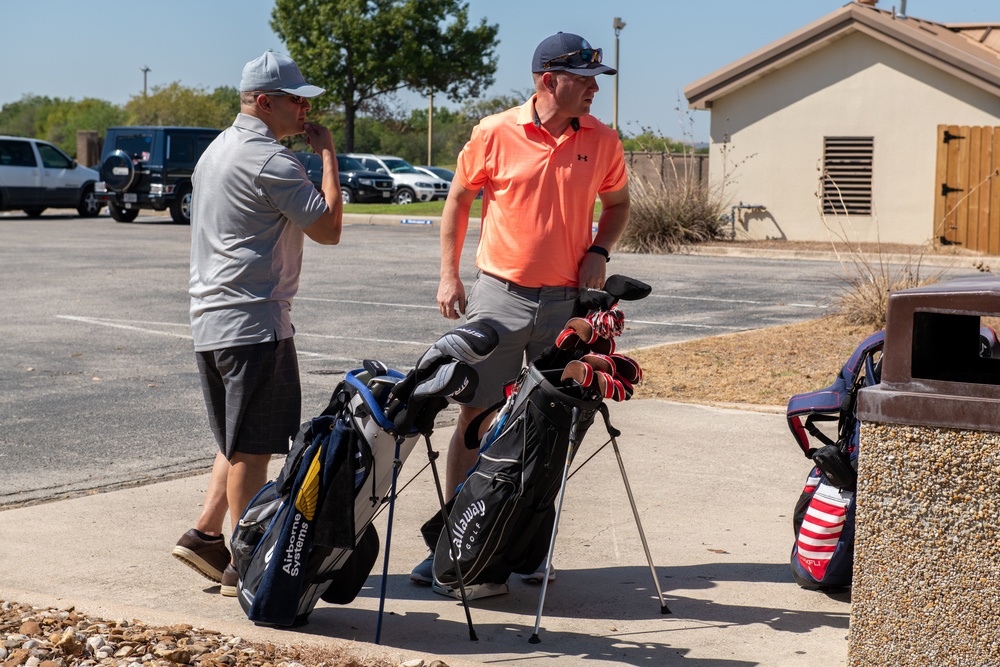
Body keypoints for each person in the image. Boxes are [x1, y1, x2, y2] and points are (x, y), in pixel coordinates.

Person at [410, 32, 630, 595]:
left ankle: (525, 546)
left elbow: (619, 203)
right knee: (477, 415)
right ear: (546, 80)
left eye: (594, 80)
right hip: (498, 296)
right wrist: (448, 274)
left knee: (548, 425)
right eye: (582, 80)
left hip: (565, 306)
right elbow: (458, 199)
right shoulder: (494, 132)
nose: (592, 90)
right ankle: (454, 542)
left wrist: (599, 253)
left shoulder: (602, 140)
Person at [171, 50, 343, 597]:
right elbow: (329, 229)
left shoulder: (215, 151)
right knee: (255, 447)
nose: (306, 106)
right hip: (255, 321)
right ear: (265, 102)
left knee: (237, 435)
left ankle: (204, 535)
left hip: (211, 318)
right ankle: (250, 562)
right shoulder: (273, 161)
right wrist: (328, 157)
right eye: (297, 98)